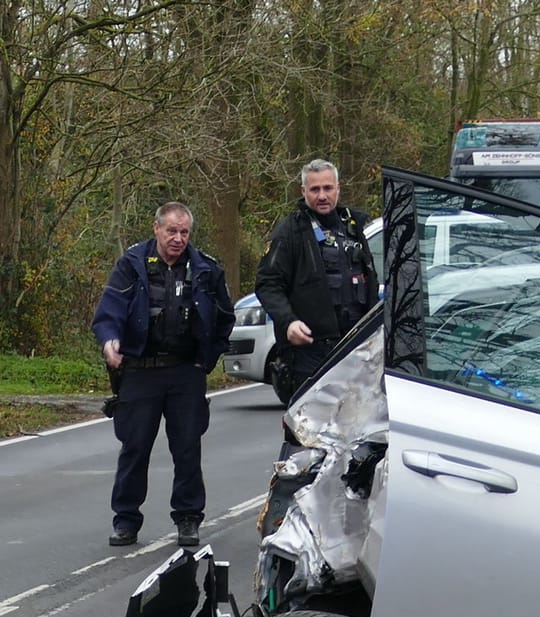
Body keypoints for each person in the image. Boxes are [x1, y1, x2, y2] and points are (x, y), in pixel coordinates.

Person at [90, 202, 235, 547]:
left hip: (186, 372)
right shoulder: (132, 265)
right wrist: (110, 341)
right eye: (171, 231)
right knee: (135, 447)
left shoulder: (205, 269)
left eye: (184, 232)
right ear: (156, 228)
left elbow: (224, 319)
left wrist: (208, 359)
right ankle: (126, 520)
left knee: (187, 448)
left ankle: (188, 518)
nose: (178, 238)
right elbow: (108, 311)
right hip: (141, 371)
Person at [255, 158, 378, 404]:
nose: (322, 196)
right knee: (309, 432)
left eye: (327, 188)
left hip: (357, 350)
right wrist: (289, 322)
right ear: (303, 191)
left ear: (338, 188)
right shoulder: (290, 232)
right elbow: (268, 283)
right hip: (311, 351)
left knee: (358, 428)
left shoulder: (354, 226)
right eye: (315, 189)